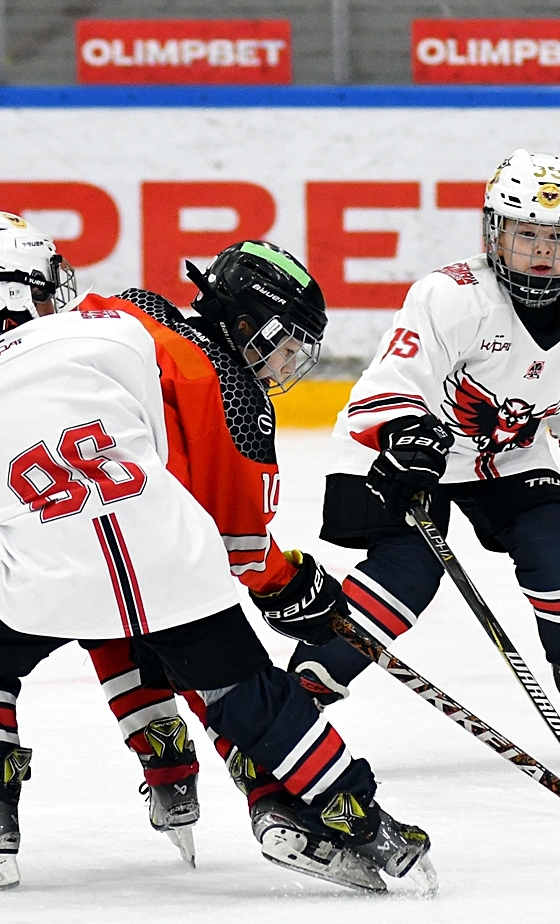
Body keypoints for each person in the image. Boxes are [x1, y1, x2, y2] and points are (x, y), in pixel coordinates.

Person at [0, 212, 431, 892]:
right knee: (249, 692)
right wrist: (281, 580)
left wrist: (34, 520)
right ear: (18, 286)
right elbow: (166, 453)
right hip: (170, 559)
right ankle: (361, 816)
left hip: (50, 578)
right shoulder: (110, 330)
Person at [286, 150, 560, 766]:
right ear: (493, 232)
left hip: (505, 456)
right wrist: (405, 433)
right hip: (402, 451)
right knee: (407, 573)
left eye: (557, 238)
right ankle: (304, 687)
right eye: (525, 232)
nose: (540, 251)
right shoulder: (451, 296)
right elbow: (393, 380)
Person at [74, 241, 366, 875]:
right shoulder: (234, 394)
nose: (289, 362)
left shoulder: (128, 310)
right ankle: (272, 798)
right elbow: (237, 544)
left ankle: (166, 764)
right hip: (157, 559)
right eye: (285, 343)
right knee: (216, 663)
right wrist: (290, 587)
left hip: (64, 526)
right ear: (244, 323)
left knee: (106, 622)